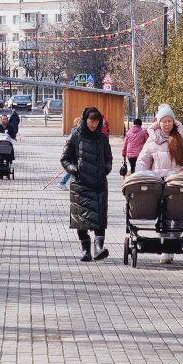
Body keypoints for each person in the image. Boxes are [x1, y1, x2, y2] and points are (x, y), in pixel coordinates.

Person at [136, 104, 183, 263]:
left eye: (169, 121)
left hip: (178, 181)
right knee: (162, 215)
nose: (166, 124)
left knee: (179, 212)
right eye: (163, 121)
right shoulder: (152, 139)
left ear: (173, 121)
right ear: (159, 122)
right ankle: (165, 246)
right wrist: (142, 175)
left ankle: (173, 241)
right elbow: (143, 160)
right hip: (158, 183)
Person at [60, 107, 113, 262]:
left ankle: (99, 248)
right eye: (91, 120)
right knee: (81, 220)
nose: (94, 124)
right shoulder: (75, 136)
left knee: (99, 217)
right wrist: (73, 169)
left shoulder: (103, 138)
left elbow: (108, 158)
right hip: (80, 185)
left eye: (96, 121)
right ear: (85, 119)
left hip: (99, 184)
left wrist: (106, 169)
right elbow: (64, 158)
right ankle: (85, 251)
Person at [58, 116, 81, 188]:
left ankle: (63, 183)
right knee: (72, 170)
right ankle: (62, 183)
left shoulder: (77, 132)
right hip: (74, 156)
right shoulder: (75, 133)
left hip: (77, 155)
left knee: (73, 170)